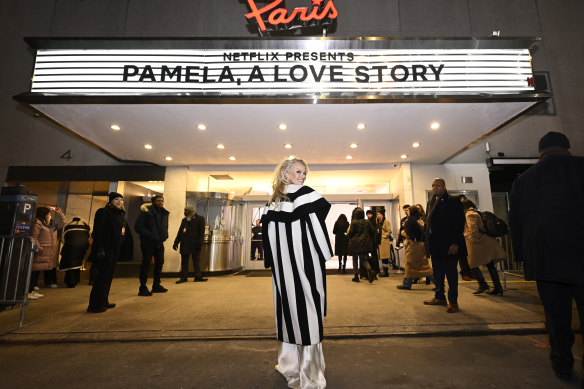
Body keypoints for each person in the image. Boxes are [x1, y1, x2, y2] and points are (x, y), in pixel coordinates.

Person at [510, 131, 584, 382]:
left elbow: (516, 222)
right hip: (580, 254)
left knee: (556, 317)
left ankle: (562, 365)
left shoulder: (524, 180)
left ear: (540, 151)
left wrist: (522, 257)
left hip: (545, 260)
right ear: (567, 147)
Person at [261, 158, 332, 389]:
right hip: (304, 267)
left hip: (283, 270)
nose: (302, 176)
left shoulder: (274, 201)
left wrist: (275, 262)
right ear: (285, 173)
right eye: (298, 171)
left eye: (304, 173)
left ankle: (290, 364)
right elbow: (317, 229)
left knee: (289, 313)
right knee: (308, 312)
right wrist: (322, 255)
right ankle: (309, 374)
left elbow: (269, 239)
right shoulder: (306, 196)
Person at [423, 178, 466, 313]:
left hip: (449, 245)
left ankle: (453, 302)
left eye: (438, 185)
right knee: (438, 274)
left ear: (444, 186)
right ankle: (439, 297)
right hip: (435, 245)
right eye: (433, 185)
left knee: (451, 275)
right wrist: (426, 242)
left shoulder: (453, 201)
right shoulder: (430, 202)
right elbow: (429, 224)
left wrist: (455, 243)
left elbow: (458, 223)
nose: (435, 188)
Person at [87, 192, 133, 313]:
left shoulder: (121, 215)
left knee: (108, 276)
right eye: (116, 199)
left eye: (121, 200)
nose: (119, 201)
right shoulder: (103, 212)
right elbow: (98, 232)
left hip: (115, 249)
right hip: (105, 249)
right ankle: (94, 305)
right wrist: (100, 248)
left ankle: (104, 301)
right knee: (101, 277)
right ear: (111, 201)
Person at [461, 199, 505, 295]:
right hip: (485, 241)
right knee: (490, 265)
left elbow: (473, 230)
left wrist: (472, 240)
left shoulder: (469, 214)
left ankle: (483, 285)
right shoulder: (476, 212)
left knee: (473, 264)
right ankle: (498, 288)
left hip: (477, 243)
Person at [135, 195, 170, 296]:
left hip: (159, 242)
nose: (160, 203)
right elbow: (138, 227)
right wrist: (151, 235)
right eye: (158, 201)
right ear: (153, 201)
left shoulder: (164, 213)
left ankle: (156, 285)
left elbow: (165, 227)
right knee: (146, 263)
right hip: (147, 242)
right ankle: (142, 287)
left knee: (159, 263)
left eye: (162, 201)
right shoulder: (146, 211)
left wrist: (165, 235)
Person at [28, 206, 65, 299]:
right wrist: (39, 248)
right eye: (48, 214)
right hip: (40, 251)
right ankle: (29, 291)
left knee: (37, 268)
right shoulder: (38, 223)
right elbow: (34, 237)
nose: (49, 215)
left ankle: (31, 290)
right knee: (34, 269)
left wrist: (60, 213)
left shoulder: (50, 224)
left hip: (47, 251)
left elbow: (63, 223)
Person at [397, 205, 434, 290]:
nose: (407, 212)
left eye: (408, 211)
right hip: (419, 244)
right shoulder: (418, 219)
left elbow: (409, 234)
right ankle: (407, 283)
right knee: (421, 265)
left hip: (414, 245)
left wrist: (402, 231)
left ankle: (407, 284)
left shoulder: (410, 221)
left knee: (412, 264)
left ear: (411, 212)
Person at [173, 204, 207, 283]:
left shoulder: (200, 219)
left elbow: (201, 233)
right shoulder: (184, 220)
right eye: (184, 210)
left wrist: (199, 243)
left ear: (191, 211)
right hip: (185, 243)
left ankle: (198, 277)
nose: (184, 212)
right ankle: (184, 278)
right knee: (184, 261)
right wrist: (176, 242)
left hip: (195, 244)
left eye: (186, 210)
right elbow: (180, 232)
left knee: (196, 261)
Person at [59, 217, 90, 288]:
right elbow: (88, 237)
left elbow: (63, 239)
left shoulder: (68, 226)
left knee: (70, 265)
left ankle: (70, 282)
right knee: (78, 263)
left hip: (70, 247)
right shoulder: (85, 226)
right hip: (82, 247)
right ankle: (76, 280)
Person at [347, 207, 376, 283]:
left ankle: (356, 276)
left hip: (355, 243)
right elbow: (373, 230)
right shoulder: (367, 222)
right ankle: (370, 270)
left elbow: (351, 233)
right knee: (363, 259)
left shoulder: (354, 222)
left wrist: (347, 235)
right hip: (365, 243)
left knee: (355, 259)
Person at [376, 210, 392, 277]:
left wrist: (383, 236)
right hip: (380, 241)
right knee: (382, 257)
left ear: (382, 215)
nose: (378, 215)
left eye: (379, 214)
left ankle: (386, 272)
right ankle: (384, 271)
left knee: (385, 257)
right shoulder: (378, 222)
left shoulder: (386, 221)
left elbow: (389, 231)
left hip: (384, 241)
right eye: (377, 214)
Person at [365, 209, 380, 277]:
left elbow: (375, 232)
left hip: (373, 241)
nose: (369, 215)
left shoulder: (374, 222)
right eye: (367, 214)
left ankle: (376, 270)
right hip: (369, 241)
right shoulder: (367, 221)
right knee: (370, 256)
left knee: (374, 256)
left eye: (370, 214)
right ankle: (372, 270)